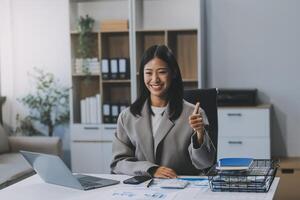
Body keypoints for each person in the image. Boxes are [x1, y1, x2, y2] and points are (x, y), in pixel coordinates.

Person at [110, 45, 216, 178]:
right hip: (141, 190)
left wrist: (200, 134)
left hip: (182, 188)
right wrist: (151, 169)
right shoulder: (127, 116)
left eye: (162, 72)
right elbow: (118, 163)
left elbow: (205, 164)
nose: (155, 79)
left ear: (174, 73)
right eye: (148, 73)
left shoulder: (195, 114)